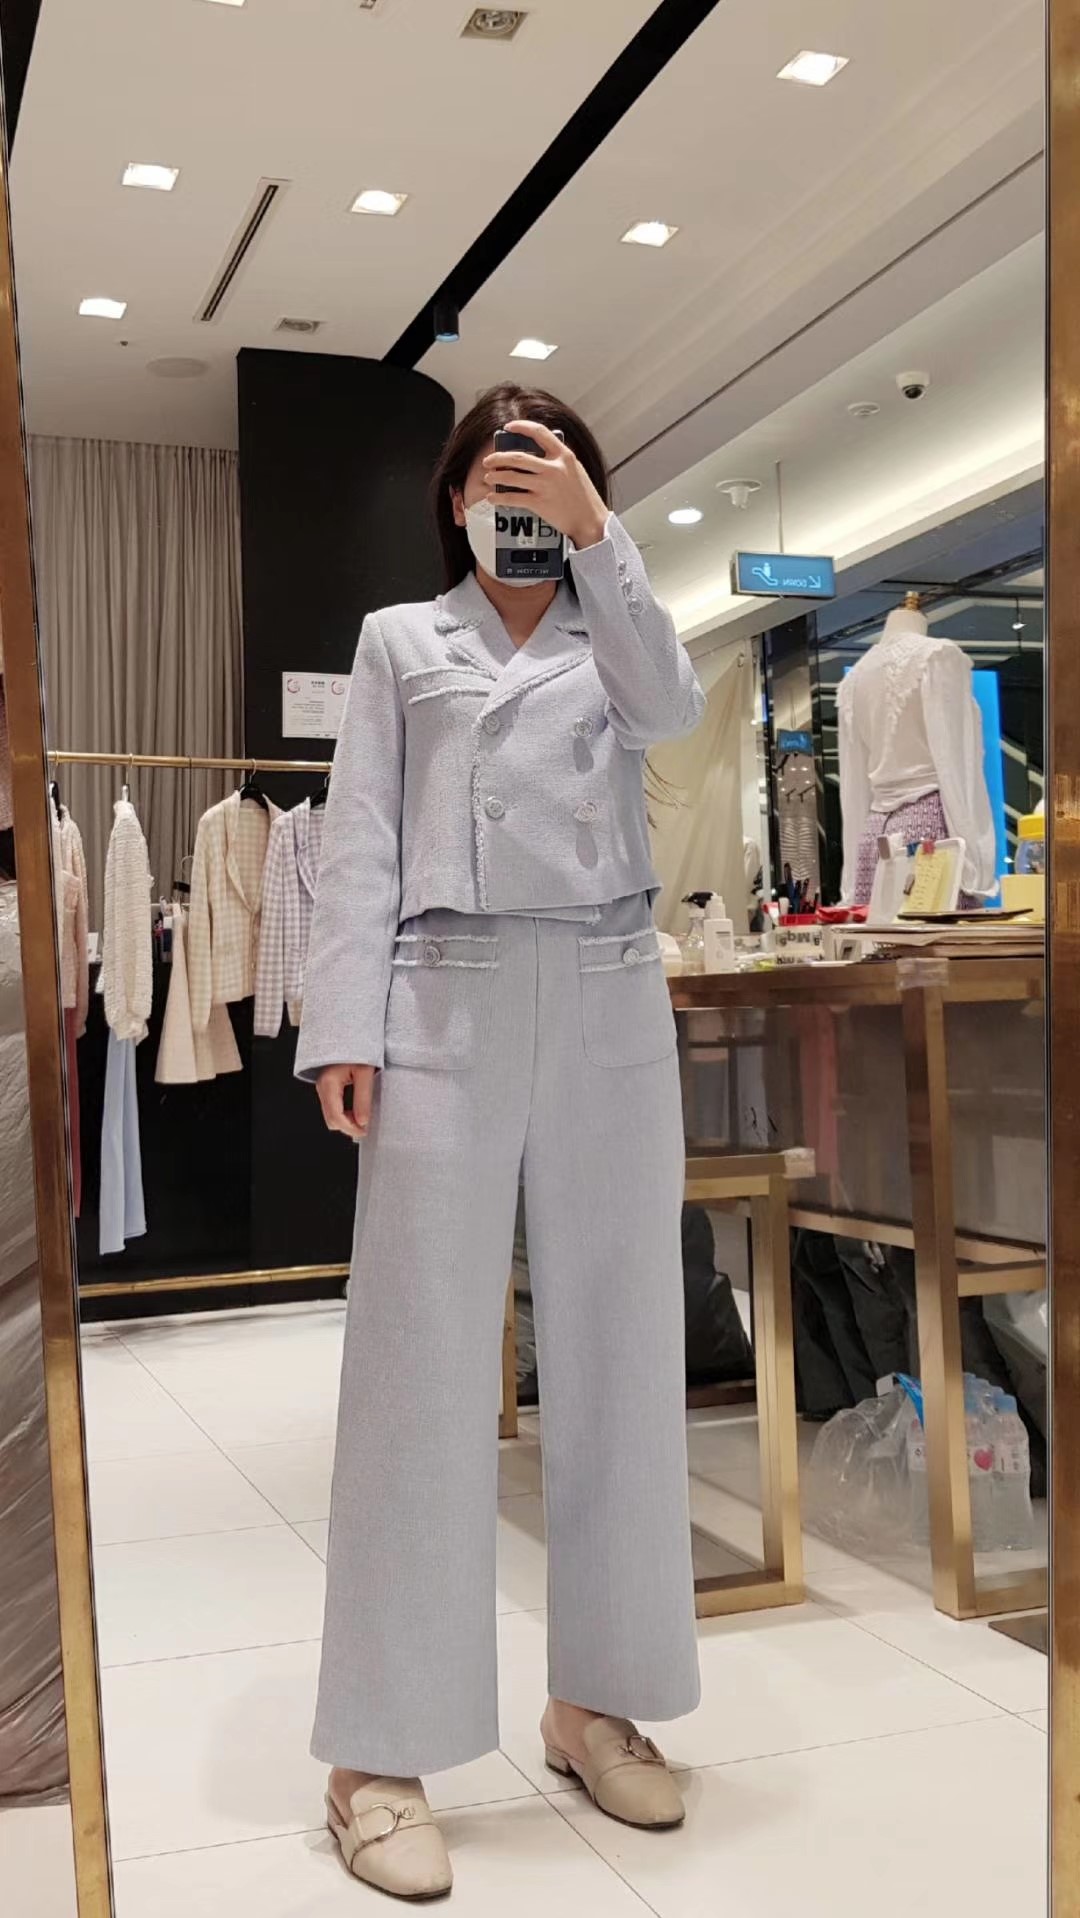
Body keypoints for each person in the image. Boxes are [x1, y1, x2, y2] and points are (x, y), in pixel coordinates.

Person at [297, 383, 705, 1900]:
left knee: (621, 1345)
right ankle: (376, 1751)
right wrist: (344, 1021)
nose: (519, 496)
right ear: (456, 497)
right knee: (416, 1365)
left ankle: (595, 1699)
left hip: (609, 989)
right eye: (498, 474)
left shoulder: (618, 625)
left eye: (550, 472)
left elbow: (674, 710)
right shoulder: (405, 640)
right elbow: (362, 834)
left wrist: (606, 542)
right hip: (444, 995)